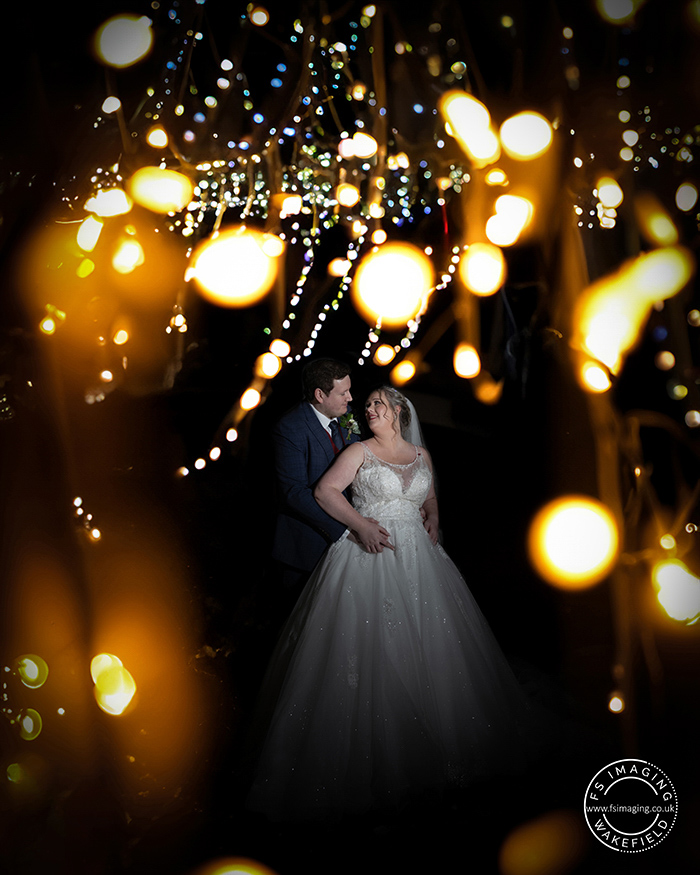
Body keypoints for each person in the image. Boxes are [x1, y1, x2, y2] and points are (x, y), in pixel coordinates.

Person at [246, 386, 535, 822]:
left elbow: (430, 496)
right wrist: (360, 525)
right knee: (371, 651)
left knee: (435, 645)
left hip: (422, 561)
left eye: (378, 404)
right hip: (370, 556)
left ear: (399, 411)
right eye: (367, 407)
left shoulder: (421, 455)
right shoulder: (359, 451)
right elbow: (326, 492)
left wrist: (434, 516)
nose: (370, 410)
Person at [271, 358, 385, 595]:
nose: (351, 398)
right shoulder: (290, 428)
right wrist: (348, 527)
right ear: (320, 395)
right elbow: (294, 493)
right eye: (343, 393)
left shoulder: (347, 415)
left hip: (356, 536)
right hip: (308, 544)